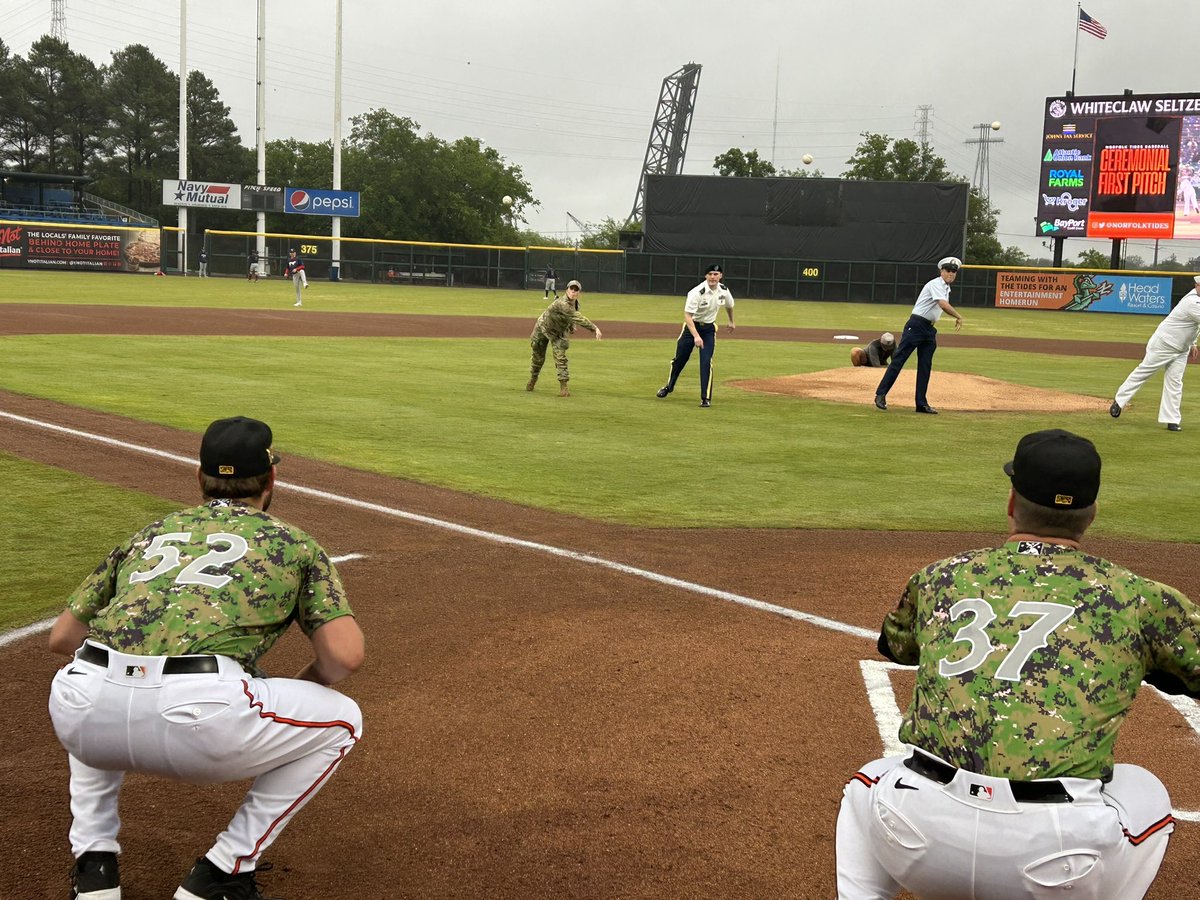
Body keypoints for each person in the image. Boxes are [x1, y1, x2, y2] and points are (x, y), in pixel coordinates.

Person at [836, 428, 1198, 900]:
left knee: (869, 783)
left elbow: (897, 646)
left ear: (1012, 502)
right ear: (1090, 516)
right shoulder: (1140, 597)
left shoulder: (941, 577)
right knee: (1143, 789)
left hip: (917, 836)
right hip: (1054, 861)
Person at [47, 416, 365, 900]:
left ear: (199, 477)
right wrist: (299, 685)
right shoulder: (294, 544)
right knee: (343, 721)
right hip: (201, 718)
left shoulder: (150, 532)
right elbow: (344, 656)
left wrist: (131, 678)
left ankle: (94, 870)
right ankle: (223, 873)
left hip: (81, 712)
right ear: (271, 479)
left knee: (92, 676)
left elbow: (62, 639)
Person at [873, 256, 965, 414]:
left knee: (925, 365)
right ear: (941, 271)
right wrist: (958, 316)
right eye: (948, 270)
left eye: (954, 271)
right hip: (916, 325)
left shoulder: (946, 288)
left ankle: (921, 404)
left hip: (929, 330)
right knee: (899, 360)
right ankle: (880, 394)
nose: (951, 274)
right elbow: (942, 304)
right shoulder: (936, 284)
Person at [1110, 274, 1200, 432]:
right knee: (1143, 372)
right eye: (1197, 285)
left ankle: (1171, 420)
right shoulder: (1191, 302)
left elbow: (1193, 326)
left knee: (1175, 383)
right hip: (1164, 344)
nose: (1197, 287)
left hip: (1181, 349)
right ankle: (1119, 400)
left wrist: (1193, 343)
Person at [655, 263, 736, 408]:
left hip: (709, 329)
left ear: (720, 276)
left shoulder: (724, 290)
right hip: (691, 328)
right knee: (679, 360)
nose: (713, 277)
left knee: (706, 362)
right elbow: (687, 316)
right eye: (710, 274)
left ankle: (705, 398)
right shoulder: (697, 292)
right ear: (706, 276)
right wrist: (696, 336)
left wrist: (731, 321)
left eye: (716, 274)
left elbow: (729, 305)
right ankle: (669, 386)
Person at [527, 279, 601, 397]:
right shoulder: (561, 303)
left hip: (559, 333)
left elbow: (572, 317)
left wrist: (571, 326)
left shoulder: (576, 305)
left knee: (561, 358)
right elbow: (577, 317)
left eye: (576, 290)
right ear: (567, 290)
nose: (573, 291)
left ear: (579, 293)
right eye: (571, 288)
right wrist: (594, 328)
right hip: (543, 327)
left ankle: (564, 388)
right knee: (538, 357)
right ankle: (533, 379)